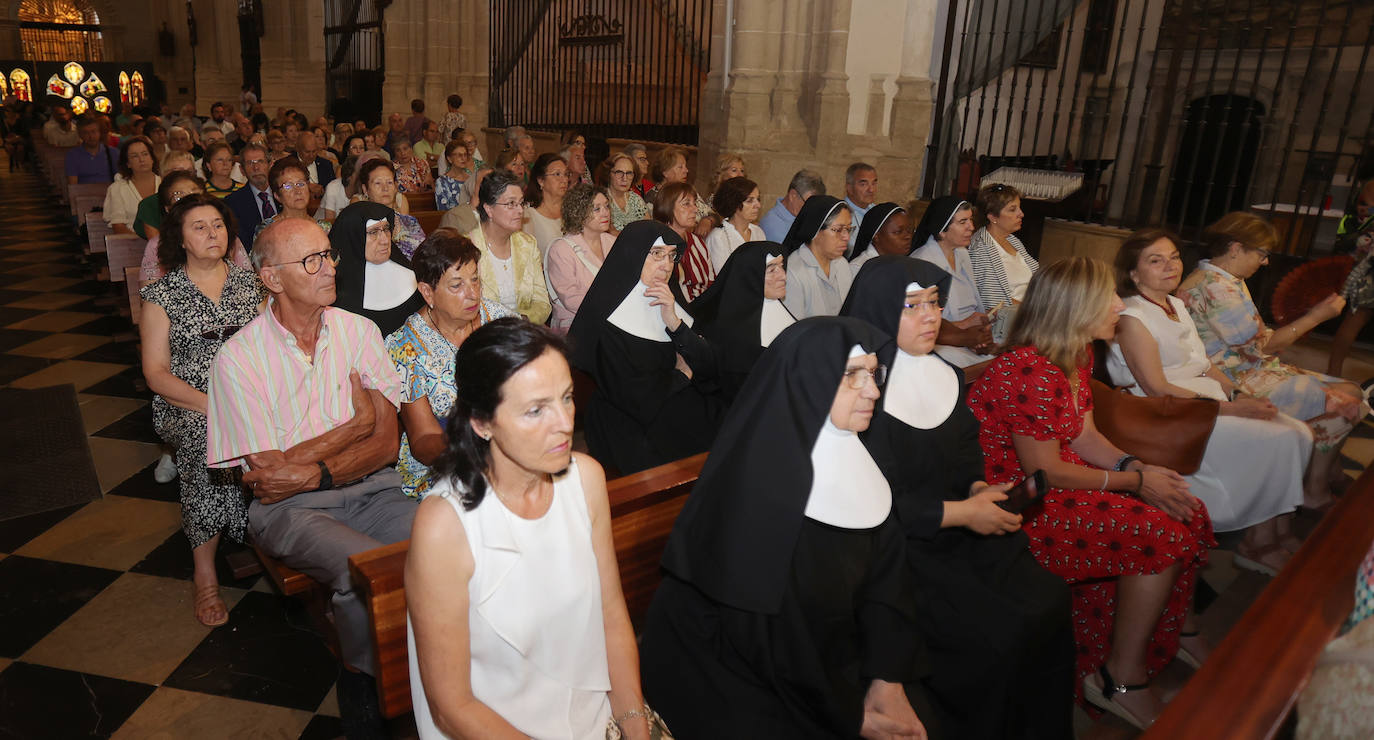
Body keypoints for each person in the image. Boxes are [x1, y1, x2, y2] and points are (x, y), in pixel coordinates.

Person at [640, 317, 931, 739]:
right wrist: (850, 715)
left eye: (873, 372)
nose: (873, 389)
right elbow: (760, 638)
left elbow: (888, 588)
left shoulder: (860, 464)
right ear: (807, 381)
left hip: (817, 659)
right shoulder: (756, 489)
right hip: (729, 672)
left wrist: (889, 678)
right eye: (852, 376)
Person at [967, 257, 1215, 730]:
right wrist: (1137, 483)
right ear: (1076, 307)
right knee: (1160, 537)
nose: (1120, 305)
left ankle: (1175, 624)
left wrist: (1137, 466)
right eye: (1109, 297)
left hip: (1062, 476)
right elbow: (1047, 472)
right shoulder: (1029, 371)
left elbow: (1084, 437)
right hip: (1023, 502)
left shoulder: (1075, 352)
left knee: (1188, 508)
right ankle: (1118, 676)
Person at [843, 256, 1075, 739]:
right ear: (880, 308)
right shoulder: (857, 389)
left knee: (1047, 599)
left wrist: (978, 489)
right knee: (996, 631)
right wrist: (963, 512)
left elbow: (965, 457)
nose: (931, 316)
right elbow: (866, 502)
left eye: (934, 302)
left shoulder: (946, 375)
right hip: (895, 552)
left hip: (958, 529)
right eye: (912, 305)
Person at [205, 217, 416, 737]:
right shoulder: (238, 358)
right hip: (288, 511)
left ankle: (440, 676)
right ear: (272, 279)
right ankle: (365, 688)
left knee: (443, 548)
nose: (329, 268)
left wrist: (316, 468)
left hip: (376, 490)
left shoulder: (359, 331)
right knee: (364, 571)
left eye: (329, 255)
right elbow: (268, 475)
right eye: (312, 260)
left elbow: (386, 444)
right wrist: (355, 426)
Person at [406, 318, 656, 740]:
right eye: (535, 410)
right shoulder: (446, 526)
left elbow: (611, 616)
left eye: (567, 398)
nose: (563, 423)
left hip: (596, 722)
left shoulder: (586, 480)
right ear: (482, 423)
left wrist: (635, 725)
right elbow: (452, 706)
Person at [1108, 228, 1310, 574]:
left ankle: (1275, 528)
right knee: (1283, 438)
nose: (1170, 266)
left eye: (1173, 257)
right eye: (1155, 261)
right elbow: (1156, 387)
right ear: (1133, 273)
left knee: (1299, 432)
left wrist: (1237, 393)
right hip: (1165, 414)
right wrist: (1230, 408)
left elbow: (1204, 363)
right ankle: (1257, 543)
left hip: (1203, 400)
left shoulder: (1174, 304)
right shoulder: (1132, 317)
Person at [1177, 211, 1364, 508]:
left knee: (1351, 391)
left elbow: (1254, 338)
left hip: (1248, 368)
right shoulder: (1217, 287)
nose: (1265, 262)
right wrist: (1316, 317)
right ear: (1236, 248)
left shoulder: (1222, 276)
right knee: (1346, 400)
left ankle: (1324, 474)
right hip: (1235, 380)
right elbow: (1265, 344)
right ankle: (1315, 490)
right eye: (1262, 254)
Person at [139, 193, 265, 628]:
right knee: (205, 439)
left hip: (248, 396)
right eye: (200, 226)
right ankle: (206, 573)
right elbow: (155, 374)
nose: (213, 233)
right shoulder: (161, 295)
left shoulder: (251, 285)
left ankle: (270, 533)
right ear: (180, 238)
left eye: (218, 224)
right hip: (187, 402)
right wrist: (217, 407)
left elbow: (273, 350)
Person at [567, 221, 724, 474]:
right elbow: (633, 396)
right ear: (634, 253)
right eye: (657, 254)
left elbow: (710, 368)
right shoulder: (606, 317)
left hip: (674, 402)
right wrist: (681, 375)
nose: (666, 265)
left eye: (672, 256)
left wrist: (675, 323)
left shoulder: (670, 299)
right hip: (626, 419)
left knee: (731, 432)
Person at [385, 230, 515, 498]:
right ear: (427, 292)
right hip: (444, 467)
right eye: (456, 286)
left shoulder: (500, 321)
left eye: (475, 280)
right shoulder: (405, 348)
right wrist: (477, 454)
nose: (472, 294)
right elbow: (422, 440)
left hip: (510, 444)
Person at [689, 240, 795, 403]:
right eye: (772, 269)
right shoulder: (722, 329)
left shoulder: (780, 311)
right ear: (750, 275)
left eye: (781, 266)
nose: (783, 276)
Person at [910, 196, 996, 367]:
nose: (971, 227)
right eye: (963, 221)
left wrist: (981, 326)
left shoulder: (962, 253)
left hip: (971, 337)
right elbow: (918, 322)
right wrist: (964, 328)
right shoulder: (922, 261)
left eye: (971, 220)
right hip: (942, 341)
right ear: (942, 230)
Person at [330, 201, 425, 337]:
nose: (385, 240)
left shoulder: (411, 278)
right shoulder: (334, 290)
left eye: (386, 229)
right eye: (373, 232)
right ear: (353, 236)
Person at [470, 170, 551, 323]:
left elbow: (542, 303)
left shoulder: (528, 244)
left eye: (521, 203)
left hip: (523, 332)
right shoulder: (467, 248)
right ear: (489, 209)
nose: (520, 210)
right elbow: (465, 309)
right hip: (484, 336)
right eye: (511, 204)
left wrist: (521, 321)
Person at [140, 172, 252, 282]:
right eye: (178, 196)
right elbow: (150, 289)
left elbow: (248, 278)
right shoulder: (157, 245)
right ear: (168, 209)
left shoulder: (226, 236)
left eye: (194, 192)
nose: (189, 199)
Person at [546, 183, 615, 332]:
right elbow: (571, 299)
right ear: (579, 213)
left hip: (612, 321)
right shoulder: (561, 249)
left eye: (607, 206)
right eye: (597, 209)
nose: (605, 213)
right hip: (576, 325)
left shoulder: (612, 241)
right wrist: (612, 309)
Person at [968, 183, 1038, 313]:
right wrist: (1034, 310)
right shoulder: (980, 249)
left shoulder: (1012, 240)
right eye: (1012, 209)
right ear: (993, 217)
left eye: (1019, 208)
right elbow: (991, 303)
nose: (1021, 214)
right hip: (1008, 321)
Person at [782, 194, 854, 318]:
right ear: (815, 231)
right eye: (838, 230)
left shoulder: (842, 264)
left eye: (848, 229)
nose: (846, 237)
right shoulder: (793, 273)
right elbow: (795, 331)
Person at [1329, 180, 1374, 377]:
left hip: (1366, 274)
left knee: (1352, 323)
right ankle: (1333, 372)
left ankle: (1333, 372)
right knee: (1353, 323)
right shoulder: (1360, 219)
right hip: (1367, 274)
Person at [652, 181, 715, 300]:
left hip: (703, 308)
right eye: (686, 204)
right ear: (668, 207)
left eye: (694, 203)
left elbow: (711, 283)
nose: (695, 209)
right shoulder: (658, 246)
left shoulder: (698, 242)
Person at [358, 157, 427, 257]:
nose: (385, 188)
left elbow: (423, 257)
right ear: (365, 189)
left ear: (395, 186)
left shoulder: (409, 223)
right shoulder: (360, 225)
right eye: (378, 183)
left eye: (389, 182)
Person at [252, 157, 332, 240]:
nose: (297, 191)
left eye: (300, 184)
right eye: (288, 186)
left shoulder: (323, 229)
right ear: (277, 196)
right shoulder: (266, 230)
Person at [222, 143, 276, 251]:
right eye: (249, 163)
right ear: (242, 170)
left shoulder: (283, 193)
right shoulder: (232, 203)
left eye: (260, 161)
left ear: (270, 165)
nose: (256, 167)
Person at [705, 176, 765, 271]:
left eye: (758, 199)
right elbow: (722, 278)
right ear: (734, 203)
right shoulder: (718, 237)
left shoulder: (758, 232)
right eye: (750, 201)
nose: (758, 205)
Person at [103, 135, 161, 234]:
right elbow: (118, 227)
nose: (141, 159)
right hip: (132, 244)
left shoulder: (166, 184)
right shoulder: (117, 188)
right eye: (134, 156)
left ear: (152, 158)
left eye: (145, 154)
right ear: (128, 163)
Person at [135, 150, 195, 239]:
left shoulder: (202, 201)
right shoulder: (150, 205)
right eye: (178, 172)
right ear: (163, 175)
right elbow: (158, 245)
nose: (185, 176)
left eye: (189, 171)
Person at [522, 152, 571, 258]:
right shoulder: (528, 214)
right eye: (557, 174)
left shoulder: (571, 210)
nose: (564, 180)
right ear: (541, 181)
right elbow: (527, 257)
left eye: (566, 174)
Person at [759, 169, 827, 242]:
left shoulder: (803, 217)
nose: (811, 210)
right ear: (793, 195)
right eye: (808, 204)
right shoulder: (772, 225)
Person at [848, 201, 911, 271]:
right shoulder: (860, 267)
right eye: (898, 232)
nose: (908, 237)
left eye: (909, 231)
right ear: (876, 236)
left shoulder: (905, 263)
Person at [603, 152, 648, 232]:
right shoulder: (601, 199)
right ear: (609, 174)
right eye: (619, 172)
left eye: (629, 173)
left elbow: (649, 229)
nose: (625, 178)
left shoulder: (636, 200)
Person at [65, 116, 116, 184]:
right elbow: (73, 185)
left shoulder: (113, 153)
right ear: (80, 135)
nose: (91, 136)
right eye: (86, 133)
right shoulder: (72, 155)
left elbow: (121, 180)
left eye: (93, 132)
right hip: (84, 193)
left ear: (99, 133)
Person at [843, 162, 879, 254]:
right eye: (863, 184)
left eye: (874, 183)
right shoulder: (841, 214)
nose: (871, 190)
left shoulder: (878, 211)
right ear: (849, 188)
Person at [434, 139, 476, 211]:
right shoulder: (442, 182)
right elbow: (443, 211)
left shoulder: (472, 179)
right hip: (453, 220)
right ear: (449, 159)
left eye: (465, 155)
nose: (463, 158)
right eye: (459, 155)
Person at [292, 131, 336, 199]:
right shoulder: (287, 164)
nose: (311, 155)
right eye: (307, 152)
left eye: (314, 151)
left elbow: (333, 190)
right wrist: (306, 186)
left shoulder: (326, 165)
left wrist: (322, 191)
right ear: (298, 149)